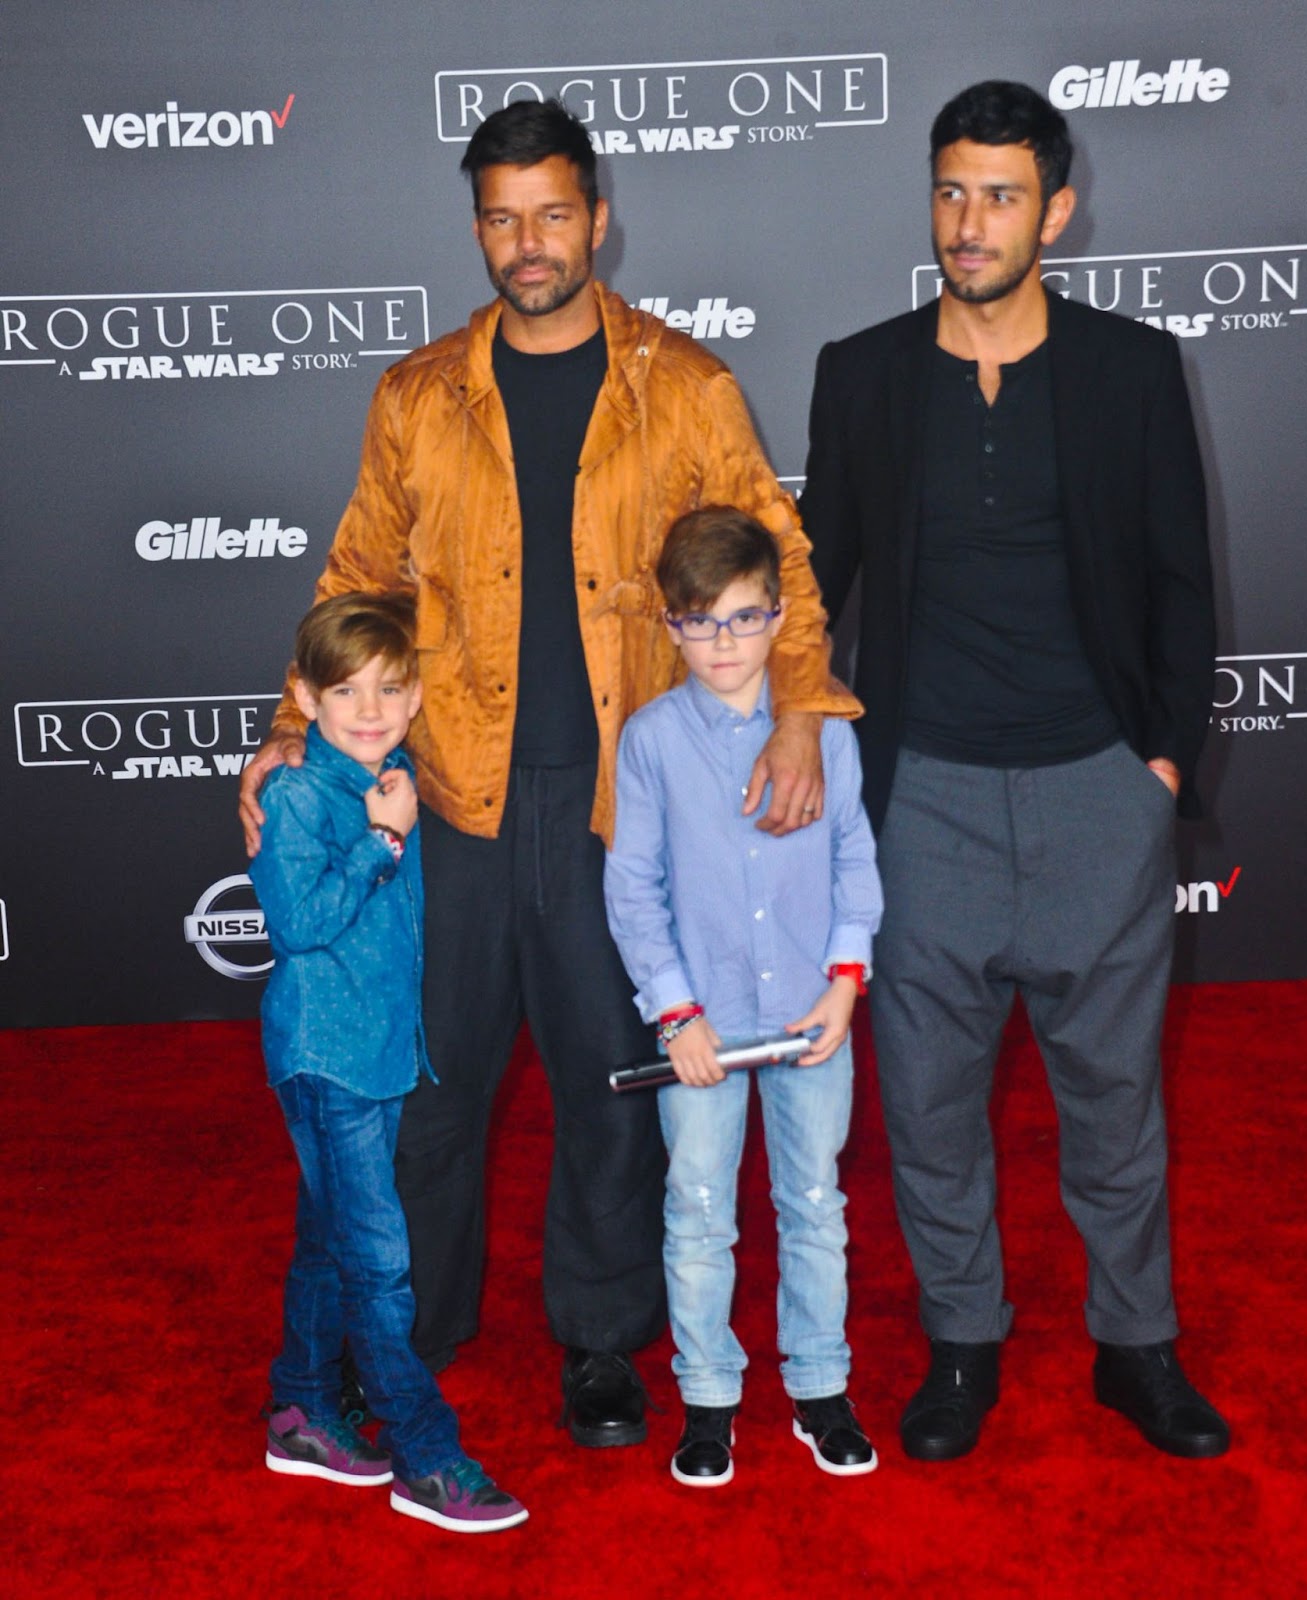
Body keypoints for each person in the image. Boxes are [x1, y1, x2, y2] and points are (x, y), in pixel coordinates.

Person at [239, 98, 856, 1447]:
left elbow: (779, 562)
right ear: (478, 227)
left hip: (619, 807)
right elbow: (356, 578)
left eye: (554, 214)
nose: (529, 244)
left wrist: (803, 707)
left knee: (606, 1086)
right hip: (449, 794)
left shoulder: (684, 387)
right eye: (503, 219)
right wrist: (290, 726)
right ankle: (410, 1329)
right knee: (431, 1090)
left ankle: (596, 1341)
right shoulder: (415, 395)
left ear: (599, 216)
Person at [799, 80, 1230, 1462]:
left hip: (1098, 787)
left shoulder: (1129, 368)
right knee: (927, 1103)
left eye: (996, 196)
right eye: (948, 191)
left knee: (1115, 1099)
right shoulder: (861, 374)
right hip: (922, 796)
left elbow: (1179, 588)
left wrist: (1158, 765)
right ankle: (963, 1348)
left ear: (1057, 209)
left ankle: (1135, 1347)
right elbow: (817, 594)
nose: (966, 223)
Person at [603, 507, 882, 1487]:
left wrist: (846, 981)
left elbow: (854, 854)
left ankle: (819, 1387)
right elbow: (633, 887)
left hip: (815, 1015)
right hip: (704, 1031)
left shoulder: (828, 728)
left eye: (742, 617)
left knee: (813, 1201)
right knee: (699, 1210)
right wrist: (676, 1013)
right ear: (669, 625)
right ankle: (710, 1398)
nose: (722, 642)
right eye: (698, 620)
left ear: (778, 616)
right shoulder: (650, 740)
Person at [251, 592, 527, 1534]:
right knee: (380, 1265)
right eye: (346, 691)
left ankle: (300, 1411)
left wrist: (391, 815)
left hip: (375, 1052)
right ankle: (426, 1455)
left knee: (332, 1242)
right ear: (304, 697)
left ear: (415, 699)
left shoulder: (397, 771)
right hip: (326, 1055)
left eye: (389, 689)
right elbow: (296, 924)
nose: (368, 709)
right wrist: (382, 840)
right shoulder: (299, 794)